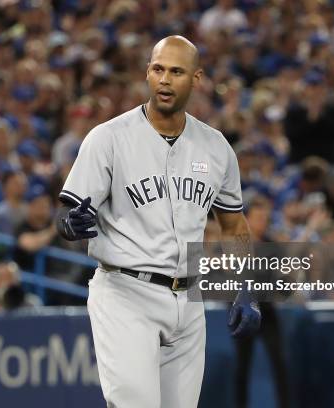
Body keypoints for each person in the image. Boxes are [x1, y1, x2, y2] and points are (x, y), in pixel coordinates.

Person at [56, 36, 261, 408]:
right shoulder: (108, 138)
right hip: (125, 291)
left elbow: (234, 226)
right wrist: (69, 225)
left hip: (189, 299)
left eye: (177, 72)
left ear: (197, 79)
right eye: (158, 69)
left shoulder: (216, 148)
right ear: (148, 73)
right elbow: (68, 212)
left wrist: (245, 286)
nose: (165, 80)